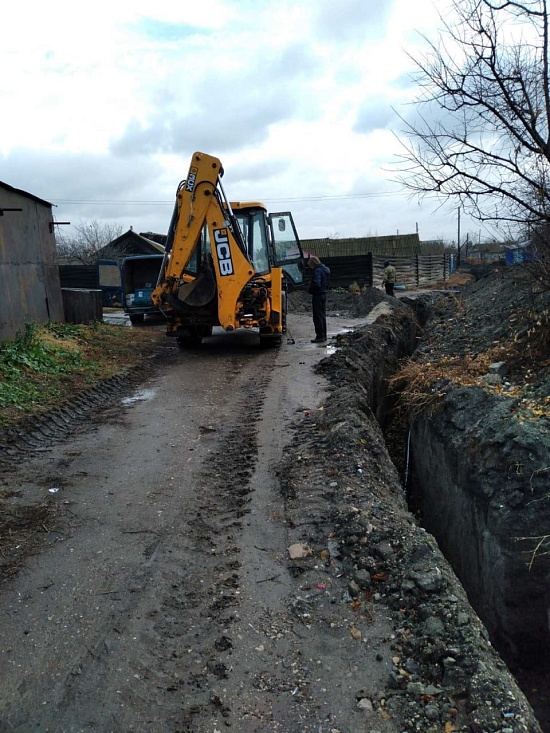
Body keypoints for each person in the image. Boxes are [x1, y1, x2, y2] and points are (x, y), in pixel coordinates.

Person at [308, 256, 330, 343]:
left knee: (317, 316)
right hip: (323, 294)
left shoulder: (317, 271)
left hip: (317, 295)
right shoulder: (325, 270)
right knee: (322, 316)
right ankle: (324, 335)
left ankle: (319, 336)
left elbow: (316, 284)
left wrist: (310, 289)